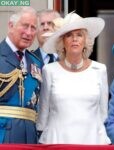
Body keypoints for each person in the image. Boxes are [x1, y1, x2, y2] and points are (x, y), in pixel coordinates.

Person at [36, 12, 110, 145]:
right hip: (57, 140)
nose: (74, 39)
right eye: (69, 35)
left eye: (79, 35)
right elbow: (43, 115)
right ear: (62, 42)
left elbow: (103, 113)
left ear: (85, 41)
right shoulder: (49, 70)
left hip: (92, 140)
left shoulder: (100, 70)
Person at [0, 7, 42, 143]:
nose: (29, 33)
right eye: (25, 26)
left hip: (29, 137)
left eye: (33, 28)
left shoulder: (36, 62)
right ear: (11, 26)